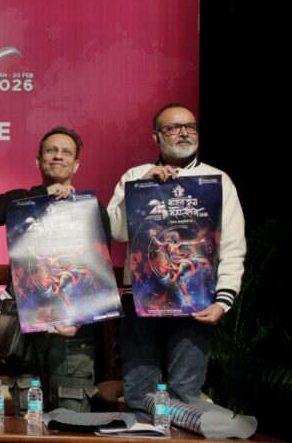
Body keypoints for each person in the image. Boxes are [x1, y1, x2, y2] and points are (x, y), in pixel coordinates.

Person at [107, 103, 246, 412]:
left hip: (195, 301)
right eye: (173, 127)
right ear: (156, 136)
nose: (184, 133)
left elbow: (233, 245)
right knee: (138, 394)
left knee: (186, 395)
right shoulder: (136, 175)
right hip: (141, 300)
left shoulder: (217, 180)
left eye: (190, 126)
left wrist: (223, 300)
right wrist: (143, 187)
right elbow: (116, 231)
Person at [0, 127, 110, 413]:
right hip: (26, 327)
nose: (58, 156)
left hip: (73, 328)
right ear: (39, 161)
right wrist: (44, 195)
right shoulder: (23, 202)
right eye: (51, 151)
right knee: (26, 413)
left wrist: (79, 319)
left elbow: (99, 272)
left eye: (66, 152)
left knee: (71, 413)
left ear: (76, 165)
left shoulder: (90, 208)